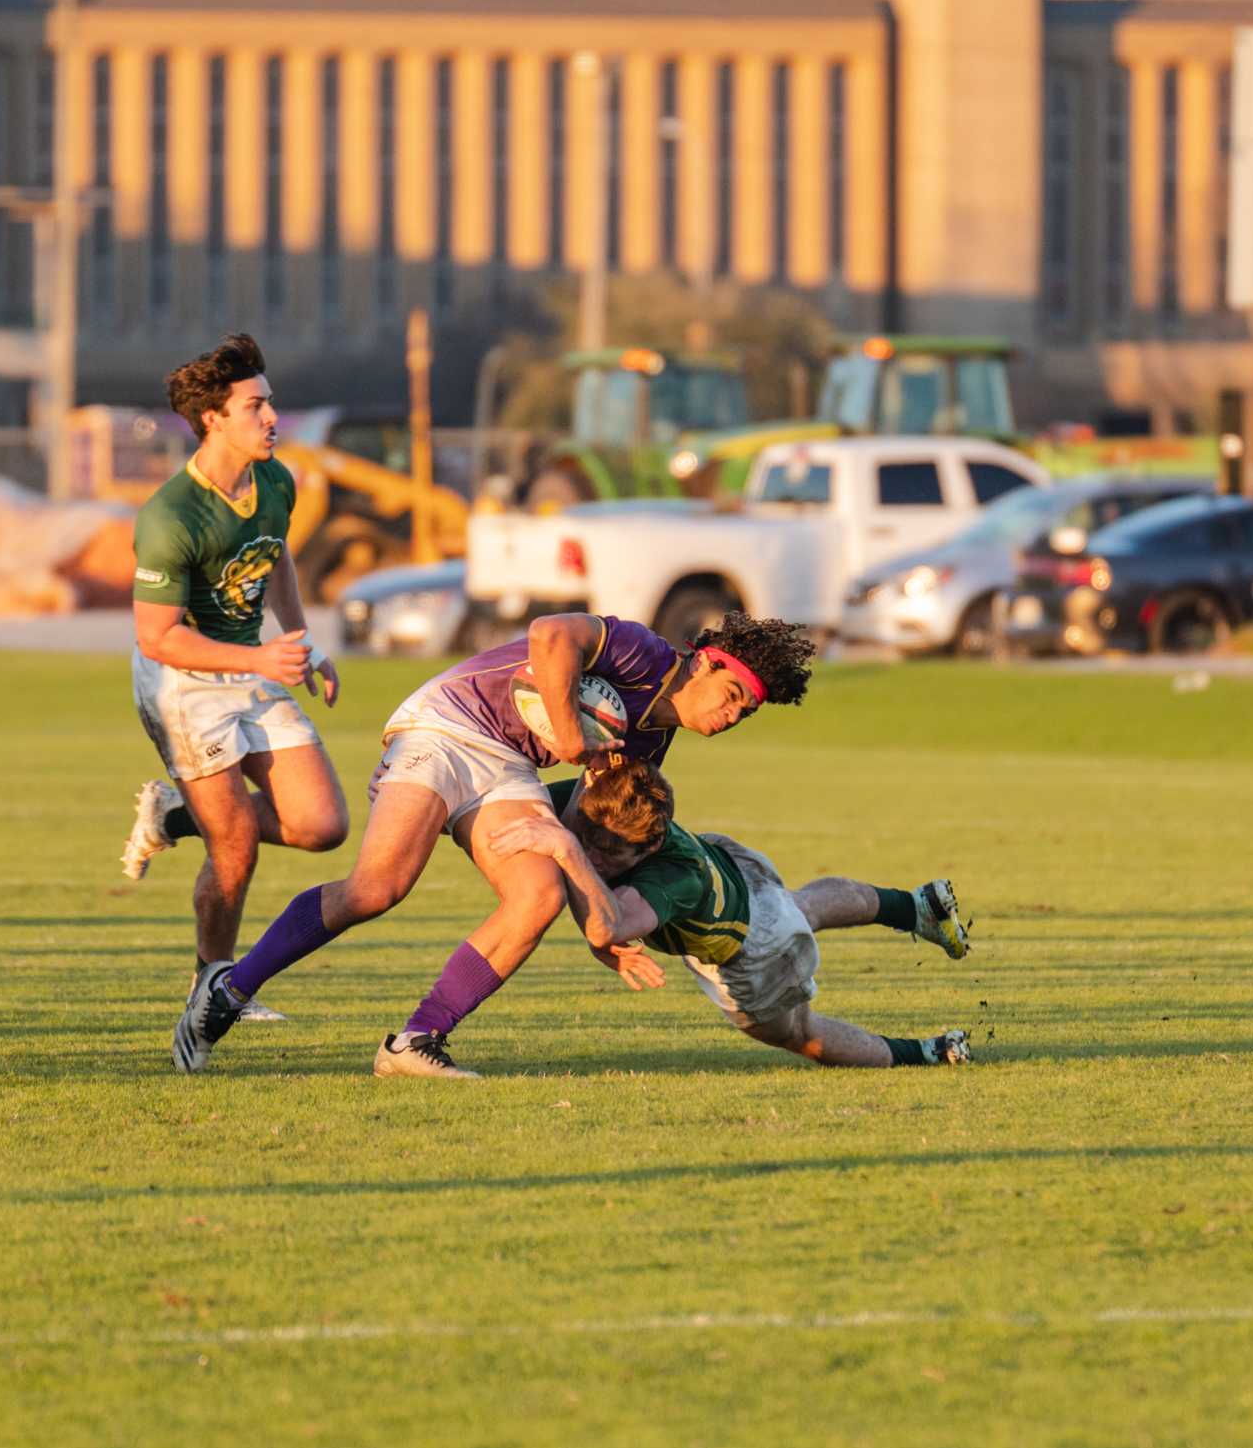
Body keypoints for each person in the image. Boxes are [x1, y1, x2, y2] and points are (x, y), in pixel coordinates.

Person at [172, 607, 817, 1079]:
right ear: (704, 663)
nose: (730, 715)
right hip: (450, 721)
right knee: (378, 887)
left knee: (534, 897)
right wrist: (567, 735)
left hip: (508, 767)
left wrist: (604, 930)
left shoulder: (650, 748)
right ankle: (226, 991)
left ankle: (416, 1042)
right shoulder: (643, 652)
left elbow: (584, 833)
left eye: (745, 712)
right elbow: (550, 635)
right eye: (732, 694)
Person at [114, 334, 347, 1042]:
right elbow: (158, 636)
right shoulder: (170, 515)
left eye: (269, 401)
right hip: (184, 683)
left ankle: (176, 816)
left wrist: (301, 645)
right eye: (256, 405)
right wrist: (259, 660)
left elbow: (274, 560)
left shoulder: (276, 480)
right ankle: (213, 986)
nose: (272, 416)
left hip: (252, 663)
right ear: (213, 418)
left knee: (322, 824)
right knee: (237, 845)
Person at [494, 762, 974, 1069]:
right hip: (740, 871)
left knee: (800, 1035)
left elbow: (609, 925)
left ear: (651, 846)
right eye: (589, 840)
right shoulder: (618, 803)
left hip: (750, 946)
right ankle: (914, 905)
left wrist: (566, 847)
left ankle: (931, 1053)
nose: (595, 857)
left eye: (610, 854)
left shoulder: (668, 880)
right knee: (800, 905)